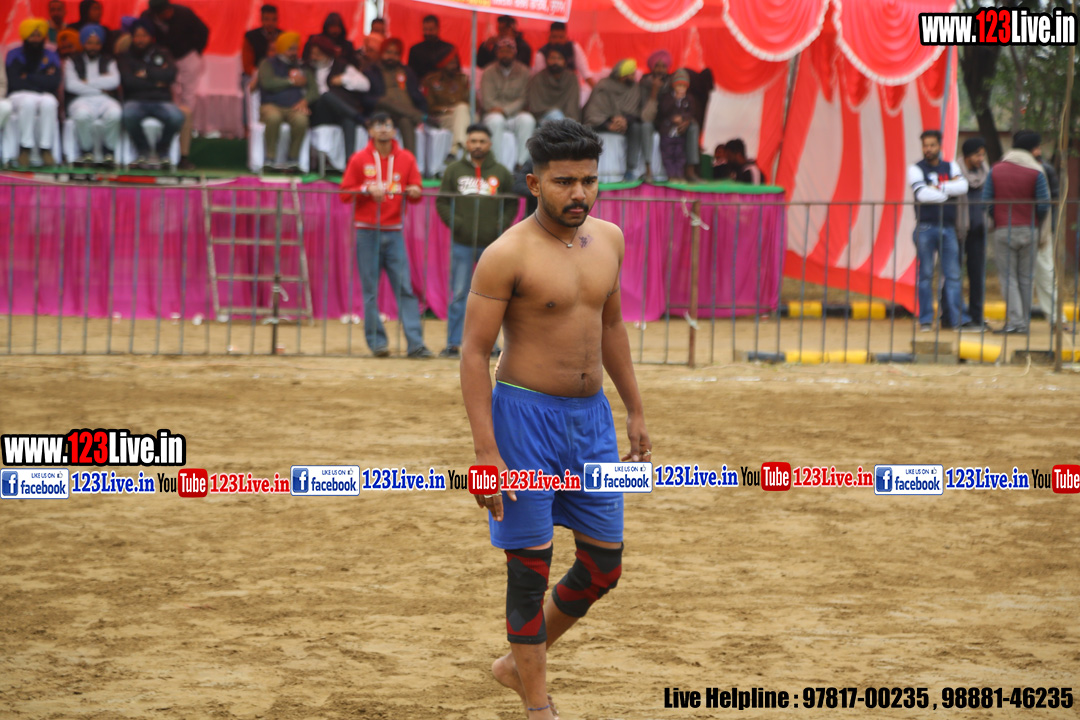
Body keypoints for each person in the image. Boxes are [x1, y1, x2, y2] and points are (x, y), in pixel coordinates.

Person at [459, 119, 650, 720]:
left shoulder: (610, 239)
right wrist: (486, 453)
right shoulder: (506, 254)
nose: (579, 193)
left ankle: (516, 665)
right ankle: (537, 704)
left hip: (591, 422)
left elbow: (611, 326)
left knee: (603, 566)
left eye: (589, 180)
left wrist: (634, 408)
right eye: (565, 181)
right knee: (528, 569)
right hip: (524, 421)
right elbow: (473, 353)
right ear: (534, 182)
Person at [340, 113, 434, 359]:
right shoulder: (359, 158)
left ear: (394, 131)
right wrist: (365, 189)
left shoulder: (406, 158)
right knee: (370, 291)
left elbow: (416, 190)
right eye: (378, 125)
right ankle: (377, 343)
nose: (383, 129)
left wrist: (415, 190)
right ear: (370, 131)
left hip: (394, 233)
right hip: (366, 232)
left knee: (405, 289)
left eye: (388, 125)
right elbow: (344, 193)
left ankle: (416, 344)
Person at [436, 124, 517, 358]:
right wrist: (456, 222)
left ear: (489, 144)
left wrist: (501, 224)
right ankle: (453, 344)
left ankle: (491, 345)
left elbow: (511, 202)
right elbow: (441, 201)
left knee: (492, 296)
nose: (478, 145)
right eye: (473, 141)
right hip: (461, 243)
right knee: (459, 294)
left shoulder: (501, 172)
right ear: (467, 144)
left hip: (493, 246)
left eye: (482, 141)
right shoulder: (454, 170)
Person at [983, 130, 1051, 335]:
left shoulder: (996, 169)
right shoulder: (1036, 172)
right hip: (1030, 229)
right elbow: (1044, 204)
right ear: (1031, 149)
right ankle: (1024, 323)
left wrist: (998, 217)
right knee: (1026, 278)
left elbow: (987, 201)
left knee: (1008, 278)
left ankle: (1015, 322)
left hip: (1004, 229)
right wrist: (1033, 220)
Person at [907, 129, 968, 331]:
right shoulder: (915, 168)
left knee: (953, 275)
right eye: (925, 145)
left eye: (932, 145)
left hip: (948, 227)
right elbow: (921, 194)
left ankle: (956, 320)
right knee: (925, 276)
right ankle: (925, 320)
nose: (928, 149)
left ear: (940, 146)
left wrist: (937, 188)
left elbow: (963, 187)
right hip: (925, 226)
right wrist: (947, 192)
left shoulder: (950, 166)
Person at [141, 0, 208, 170]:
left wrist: (196, 51)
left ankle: (186, 131)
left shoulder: (184, 13)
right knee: (170, 95)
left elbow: (203, 31)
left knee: (188, 97)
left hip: (187, 56)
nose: (168, 14)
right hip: (163, 59)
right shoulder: (147, 17)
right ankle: (172, 128)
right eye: (164, 12)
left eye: (169, 10)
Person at [117, 20, 184, 169]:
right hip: (136, 99)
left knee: (177, 117)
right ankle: (143, 149)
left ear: (151, 36)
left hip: (161, 100)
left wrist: (145, 73)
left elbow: (170, 75)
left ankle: (162, 149)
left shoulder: (162, 52)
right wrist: (157, 81)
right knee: (128, 115)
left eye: (144, 35)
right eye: (137, 36)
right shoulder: (126, 56)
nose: (140, 39)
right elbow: (128, 81)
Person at [6, 19, 62, 168]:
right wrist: (41, 79)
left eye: (39, 35)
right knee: (28, 102)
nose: (36, 39)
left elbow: (54, 82)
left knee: (50, 102)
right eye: (32, 35)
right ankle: (25, 148)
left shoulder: (51, 55)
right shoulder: (14, 54)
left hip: (43, 94)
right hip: (19, 94)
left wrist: (28, 77)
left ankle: (46, 148)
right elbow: (14, 82)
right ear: (25, 37)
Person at [257, 31, 316, 172]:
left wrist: (305, 101)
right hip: (271, 105)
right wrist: (291, 81)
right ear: (282, 48)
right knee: (273, 118)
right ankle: (270, 159)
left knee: (302, 120)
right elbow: (268, 83)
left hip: (294, 107)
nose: (294, 52)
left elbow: (314, 90)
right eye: (290, 49)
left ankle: (292, 160)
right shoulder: (267, 63)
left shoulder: (302, 66)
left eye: (296, 48)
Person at [65, 24, 122, 166]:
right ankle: (87, 151)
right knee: (82, 115)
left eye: (97, 43)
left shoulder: (109, 60)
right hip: (80, 99)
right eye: (89, 43)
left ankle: (109, 151)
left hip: (105, 99)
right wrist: (101, 87)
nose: (93, 47)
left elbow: (114, 81)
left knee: (115, 113)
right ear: (83, 43)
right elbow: (71, 85)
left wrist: (87, 82)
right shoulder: (72, 61)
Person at [583, 59, 646, 182]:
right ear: (622, 76)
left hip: (624, 124)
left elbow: (635, 112)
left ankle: (631, 170)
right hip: (601, 123)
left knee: (637, 128)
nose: (634, 77)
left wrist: (624, 120)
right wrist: (608, 124)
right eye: (631, 74)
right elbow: (593, 111)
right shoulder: (604, 85)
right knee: (586, 129)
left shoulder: (634, 88)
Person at [307, 36, 369, 160]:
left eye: (318, 54)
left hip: (339, 112)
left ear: (327, 54)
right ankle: (361, 119)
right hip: (319, 113)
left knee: (348, 120)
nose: (314, 57)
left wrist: (344, 79)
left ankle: (350, 163)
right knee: (326, 95)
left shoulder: (342, 67)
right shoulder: (308, 68)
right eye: (313, 54)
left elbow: (365, 85)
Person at [363, 38, 426, 157]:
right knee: (386, 101)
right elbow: (365, 98)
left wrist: (424, 109)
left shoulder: (407, 71)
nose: (391, 56)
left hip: (404, 115)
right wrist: (379, 101)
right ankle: (419, 116)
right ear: (381, 52)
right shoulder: (372, 71)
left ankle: (410, 161)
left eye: (395, 53)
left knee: (406, 121)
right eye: (388, 52)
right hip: (383, 111)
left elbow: (417, 94)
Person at [481, 38, 535, 171]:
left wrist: (504, 110)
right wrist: (499, 111)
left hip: (514, 114)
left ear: (514, 53)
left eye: (508, 51)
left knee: (528, 120)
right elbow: (487, 100)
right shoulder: (488, 71)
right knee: (496, 121)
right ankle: (495, 165)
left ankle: (521, 164)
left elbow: (524, 98)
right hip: (493, 113)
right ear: (497, 53)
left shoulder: (524, 71)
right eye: (502, 51)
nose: (505, 54)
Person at [1032, 144, 1068, 329]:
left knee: (1046, 274)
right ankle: (1018, 322)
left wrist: (1049, 228)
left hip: (1043, 230)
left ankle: (1056, 318)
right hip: (1021, 228)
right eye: (1035, 148)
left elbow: (1054, 200)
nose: (1038, 151)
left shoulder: (1045, 169)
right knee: (1018, 279)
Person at [956, 137, 990, 329]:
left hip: (979, 232)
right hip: (957, 231)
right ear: (967, 155)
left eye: (982, 155)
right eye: (978, 155)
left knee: (977, 276)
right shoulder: (955, 172)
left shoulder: (986, 173)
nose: (981, 159)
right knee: (954, 276)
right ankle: (955, 315)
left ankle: (977, 315)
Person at [422, 47, 470, 166]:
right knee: (461, 118)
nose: (454, 65)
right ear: (442, 63)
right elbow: (428, 106)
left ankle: (454, 151)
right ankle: (461, 149)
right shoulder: (431, 80)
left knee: (462, 108)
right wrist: (446, 109)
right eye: (450, 62)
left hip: (466, 114)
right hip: (443, 117)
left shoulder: (463, 79)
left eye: (455, 62)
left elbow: (474, 104)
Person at [656, 70, 700, 183]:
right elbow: (663, 110)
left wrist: (683, 118)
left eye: (683, 86)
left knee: (680, 155)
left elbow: (692, 112)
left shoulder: (688, 98)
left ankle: (679, 175)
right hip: (667, 132)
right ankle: (671, 175)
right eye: (679, 85)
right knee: (668, 154)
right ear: (674, 85)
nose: (681, 89)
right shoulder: (668, 97)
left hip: (680, 133)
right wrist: (675, 101)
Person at [525, 47, 581, 125]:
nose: (555, 61)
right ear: (546, 60)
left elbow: (572, 105)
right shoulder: (538, 78)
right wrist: (553, 112)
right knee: (556, 115)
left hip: (566, 120)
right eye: (552, 58)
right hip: (542, 118)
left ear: (565, 61)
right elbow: (535, 105)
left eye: (559, 58)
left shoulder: (571, 78)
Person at [532, 21, 596, 87]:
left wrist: (596, 90)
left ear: (566, 37)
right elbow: (540, 80)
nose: (557, 41)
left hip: (570, 88)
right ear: (549, 37)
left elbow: (586, 74)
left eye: (561, 37)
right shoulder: (541, 53)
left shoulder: (574, 48)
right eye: (554, 37)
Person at [408, 14, 454, 84]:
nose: (428, 33)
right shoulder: (415, 50)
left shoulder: (448, 49)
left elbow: (455, 73)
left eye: (431, 30)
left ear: (438, 29)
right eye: (425, 29)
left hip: (445, 87)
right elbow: (411, 75)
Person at [242, 4, 281, 83]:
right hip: (255, 75)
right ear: (261, 19)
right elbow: (247, 66)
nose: (270, 23)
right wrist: (262, 75)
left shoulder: (282, 36)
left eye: (273, 20)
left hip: (279, 75)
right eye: (267, 19)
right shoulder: (251, 36)